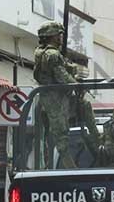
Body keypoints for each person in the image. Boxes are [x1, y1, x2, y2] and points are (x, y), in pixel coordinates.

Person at [33, 21, 99, 169]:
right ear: (51, 36)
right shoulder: (52, 54)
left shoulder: (42, 52)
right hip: (55, 100)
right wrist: (77, 84)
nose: (60, 38)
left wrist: (71, 71)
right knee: (60, 136)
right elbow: (62, 78)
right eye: (58, 35)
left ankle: (96, 144)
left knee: (84, 107)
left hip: (50, 99)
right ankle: (72, 166)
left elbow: (60, 71)